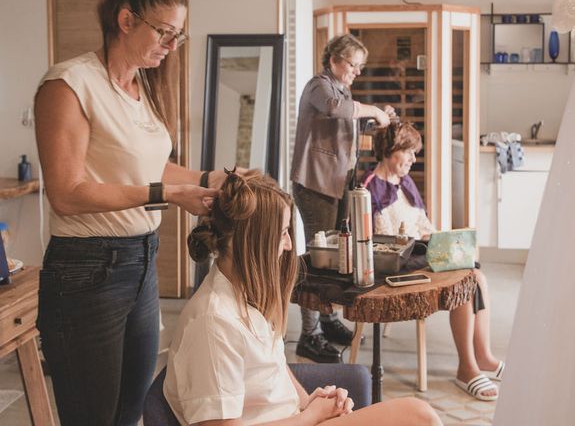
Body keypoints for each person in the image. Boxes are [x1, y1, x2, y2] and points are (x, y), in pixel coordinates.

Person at [34, 0, 227, 425]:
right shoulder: (70, 84)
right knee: (92, 417)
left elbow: (145, 165)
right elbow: (67, 192)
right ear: (125, 19)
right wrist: (165, 193)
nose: (172, 46)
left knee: (129, 413)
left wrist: (205, 180)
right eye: (165, 33)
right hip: (87, 271)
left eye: (177, 35)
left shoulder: (141, 86)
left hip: (139, 263)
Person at [164, 169, 442, 426]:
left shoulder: (244, 293)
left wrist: (306, 400)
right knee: (419, 416)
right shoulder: (213, 324)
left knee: (419, 416)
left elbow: (273, 368)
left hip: (297, 417)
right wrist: (311, 416)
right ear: (253, 240)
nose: (288, 245)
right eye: (283, 232)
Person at [362, 121, 504, 401]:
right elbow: (380, 242)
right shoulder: (368, 188)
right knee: (465, 276)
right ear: (392, 150)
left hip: (418, 253)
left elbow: (422, 222)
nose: (414, 159)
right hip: (394, 267)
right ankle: (467, 367)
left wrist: (439, 240)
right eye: (409, 152)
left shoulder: (404, 182)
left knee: (475, 273)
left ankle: (483, 357)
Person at [290, 33, 395, 363]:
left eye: (361, 66)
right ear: (334, 60)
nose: (357, 72)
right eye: (354, 64)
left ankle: (328, 319)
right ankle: (309, 336)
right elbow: (338, 111)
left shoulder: (343, 90)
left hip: (337, 184)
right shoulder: (318, 87)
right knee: (319, 259)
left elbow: (348, 120)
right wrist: (373, 109)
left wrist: (377, 116)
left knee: (336, 254)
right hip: (316, 185)